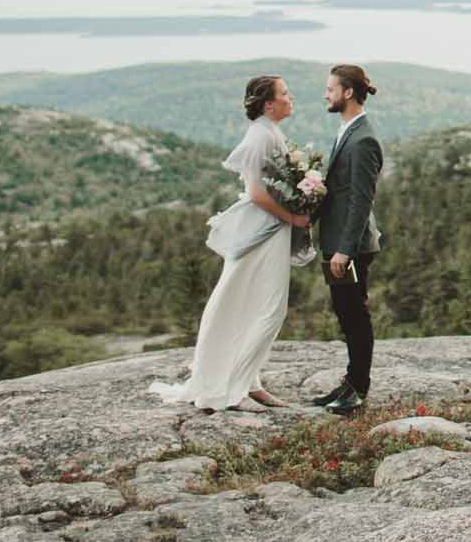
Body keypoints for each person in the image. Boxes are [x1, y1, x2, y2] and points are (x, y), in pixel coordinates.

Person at [149, 75, 312, 412]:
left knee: (254, 304)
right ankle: (235, 389)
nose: (290, 96)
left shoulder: (270, 132)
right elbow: (255, 192)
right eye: (284, 93)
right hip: (262, 231)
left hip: (271, 229)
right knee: (267, 307)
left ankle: (249, 383)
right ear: (268, 104)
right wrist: (294, 217)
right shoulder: (258, 138)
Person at [314, 63, 384, 414]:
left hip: (351, 246)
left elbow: (361, 200)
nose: (325, 94)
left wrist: (344, 250)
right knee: (345, 314)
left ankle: (358, 389)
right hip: (338, 242)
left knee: (355, 316)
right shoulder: (348, 131)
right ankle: (349, 382)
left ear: (347, 93)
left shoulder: (364, 139)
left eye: (330, 88)